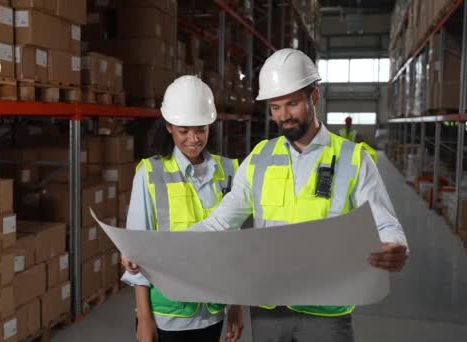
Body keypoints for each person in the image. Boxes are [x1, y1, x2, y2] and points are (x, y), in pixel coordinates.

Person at [123, 49, 409, 342]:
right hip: (270, 309)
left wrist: (396, 246)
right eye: (275, 107)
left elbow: (386, 225)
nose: (283, 116)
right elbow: (218, 225)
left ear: (314, 97)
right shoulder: (259, 159)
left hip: (327, 311)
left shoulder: (354, 159)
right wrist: (155, 253)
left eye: (292, 103)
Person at [122, 75, 244, 342]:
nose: (193, 139)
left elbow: (234, 248)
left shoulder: (229, 171)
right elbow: (136, 251)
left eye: (200, 129)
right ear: (168, 127)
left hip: (213, 311)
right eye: (183, 130)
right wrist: (144, 318)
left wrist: (235, 306)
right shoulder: (150, 173)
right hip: (169, 314)